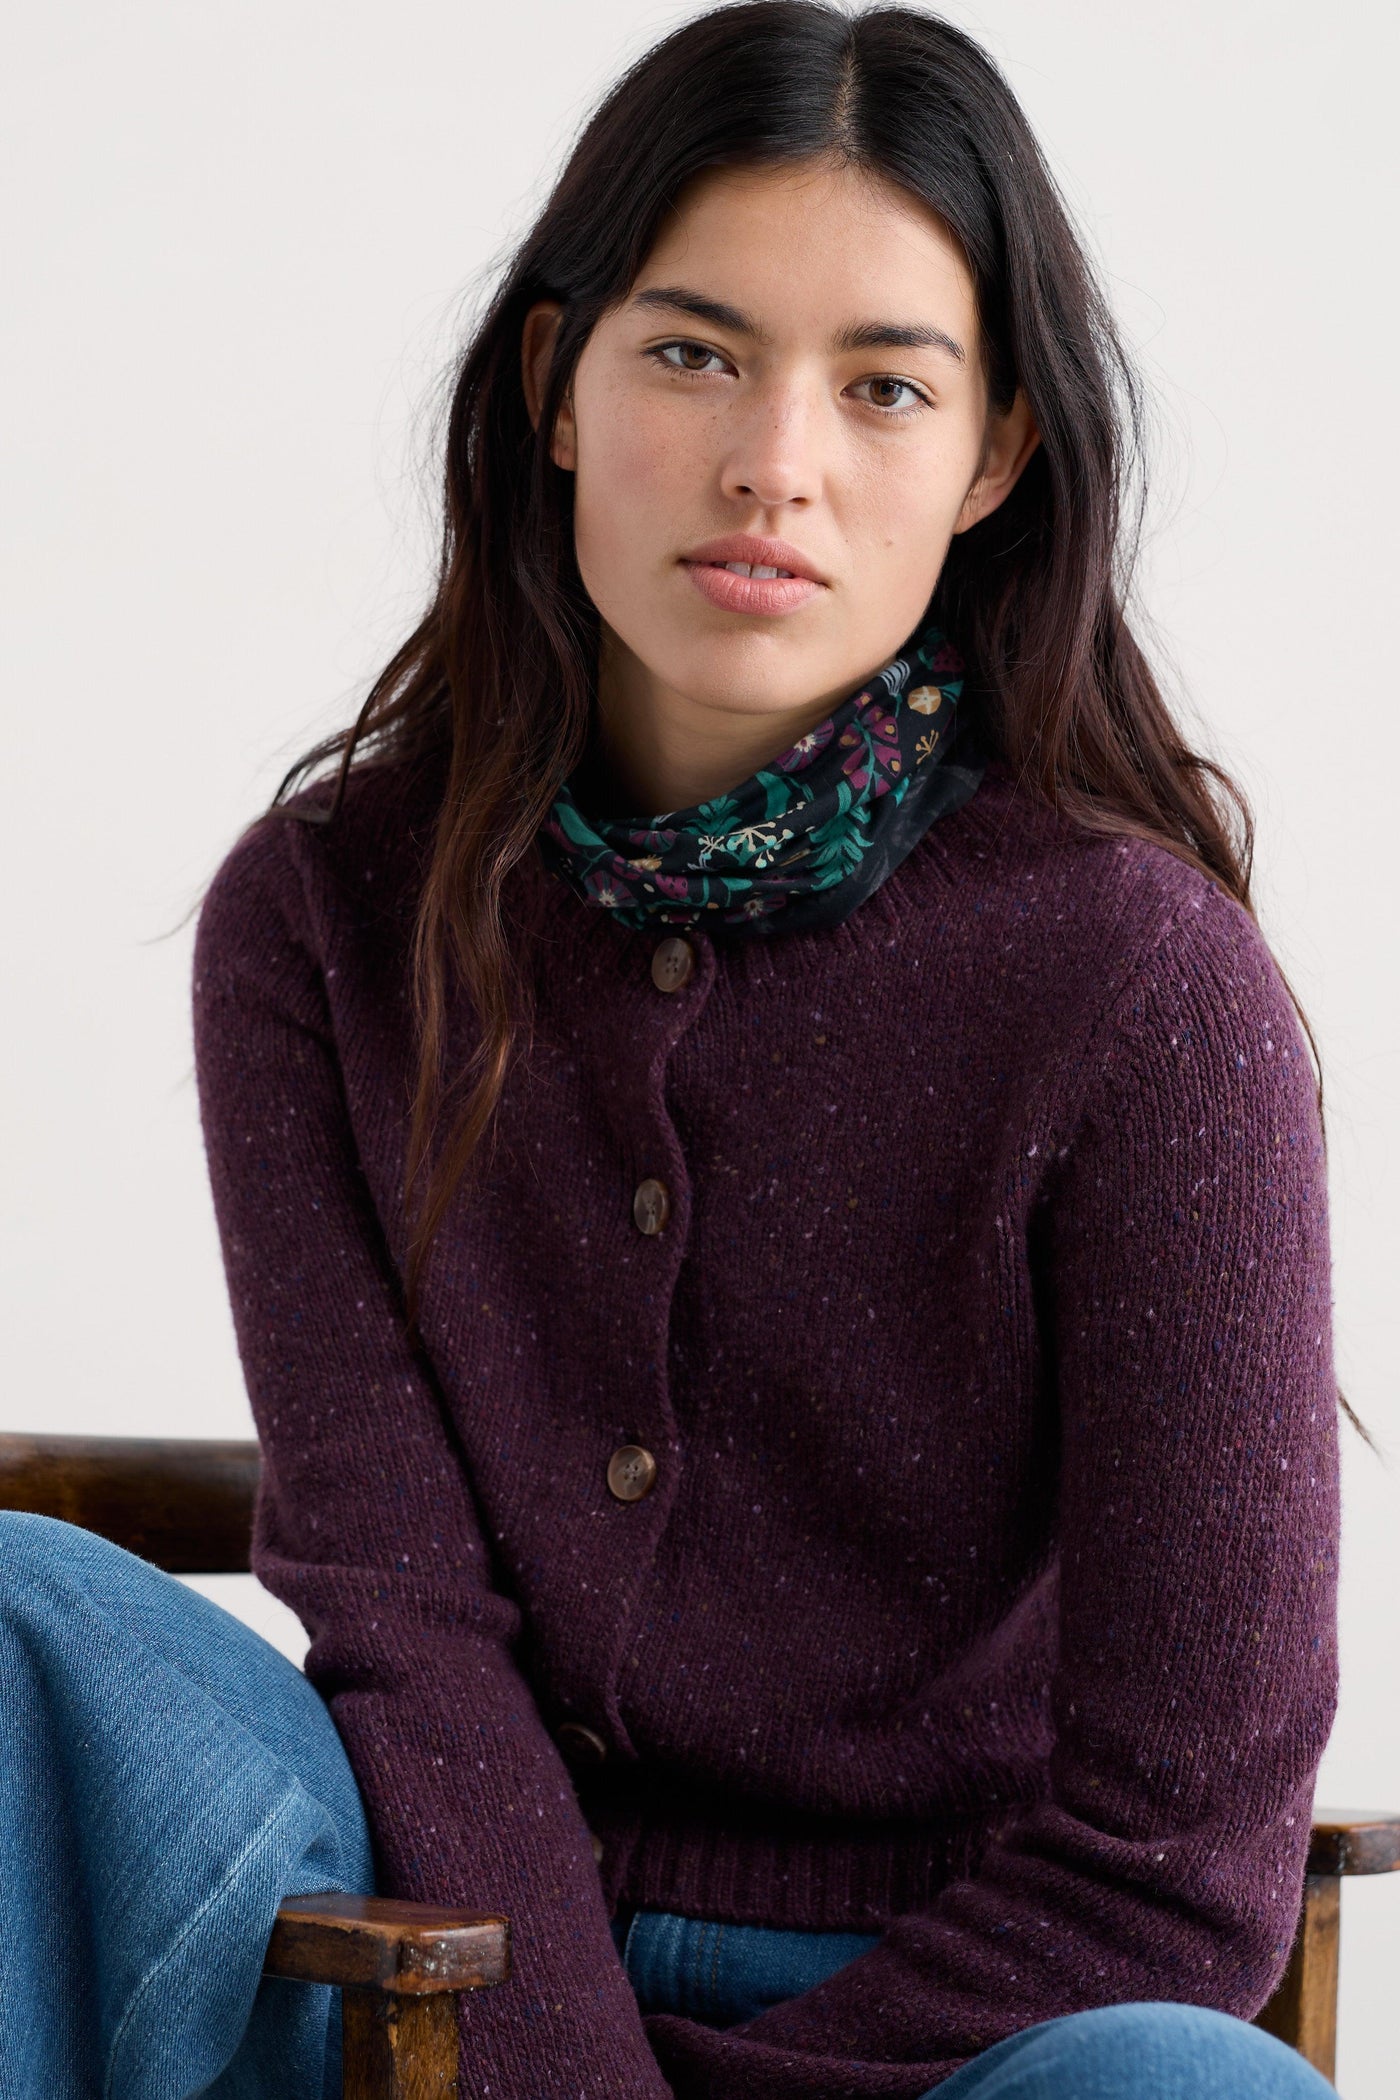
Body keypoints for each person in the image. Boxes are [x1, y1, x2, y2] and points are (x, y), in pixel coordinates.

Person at [0, 5, 1343, 2096]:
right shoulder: (327, 914)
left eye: (883, 384)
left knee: (1197, 2086)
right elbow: (399, 1607)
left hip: (958, 2023)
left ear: (993, 455)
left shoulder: (1145, 988)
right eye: (693, 352)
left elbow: (1179, 1849)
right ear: (553, 384)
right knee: (14, 1615)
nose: (770, 465)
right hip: (415, 1958)